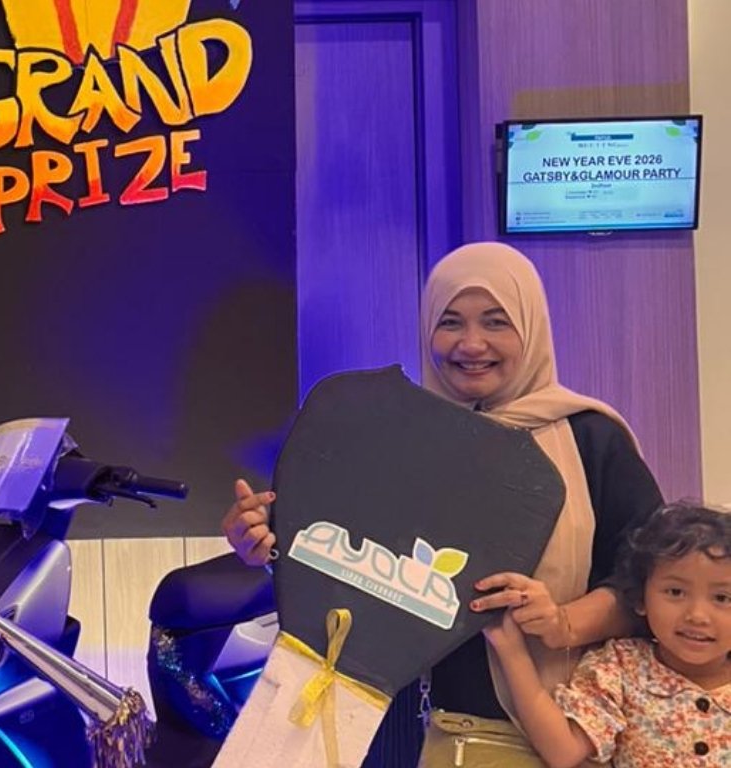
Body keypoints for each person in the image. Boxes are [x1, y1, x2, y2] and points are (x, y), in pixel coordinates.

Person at [221, 241, 664, 766]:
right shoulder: (398, 434)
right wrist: (265, 543)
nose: (471, 344)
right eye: (450, 322)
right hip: (408, 727)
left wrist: (563, 620)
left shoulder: (591, 440)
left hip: (555, 734)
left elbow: (648, 585)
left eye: (496, 322)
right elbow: (348, 552)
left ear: (532, 328)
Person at [484, 502, 729, 767]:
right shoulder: (620, 667)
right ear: (641, 598)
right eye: (676, 592)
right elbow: (563, 750)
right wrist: (512, 651)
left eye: (722, 598)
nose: (697, 616)